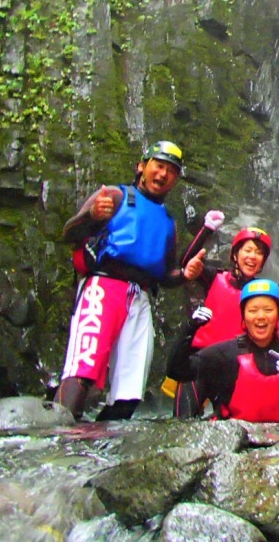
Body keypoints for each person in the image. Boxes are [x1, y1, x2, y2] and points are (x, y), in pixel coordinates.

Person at [56, 141, 192, 420]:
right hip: (103, 287)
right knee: (84, 368)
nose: (163, 174)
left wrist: (186, 275)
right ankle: (59, 433)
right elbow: (69, 232)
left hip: (140, 297)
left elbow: (165, 275)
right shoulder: (116, 196)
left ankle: (108, 440)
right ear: (142, 166)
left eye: (171, 171)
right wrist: (92, 217)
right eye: (159, 165)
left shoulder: (168, 223)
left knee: (130, 388)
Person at [165, 279, 279, 422]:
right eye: (252, 311)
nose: (261, 316)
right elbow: (176, 371)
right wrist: (190, 327)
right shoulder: (225, 353)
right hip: (233, 435)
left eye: (268, 310)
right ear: (243, 316)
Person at [168, 226, 269, 417]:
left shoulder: (263, 293)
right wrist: (206, 229)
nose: (252, 256)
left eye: (259, 253)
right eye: (248, 250)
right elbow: (187, 262)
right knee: (182, 421)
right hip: (200, 361)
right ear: (235, 255)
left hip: (234, 368)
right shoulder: (215, 277)